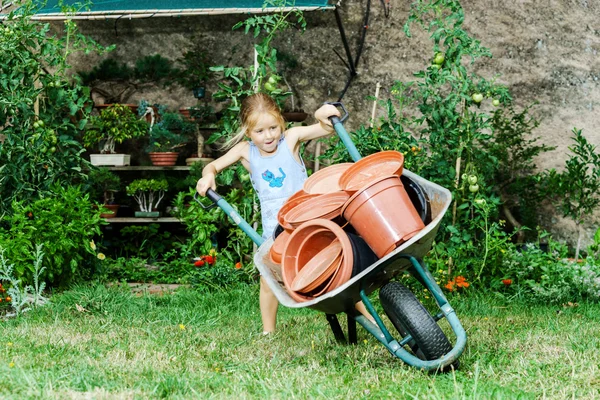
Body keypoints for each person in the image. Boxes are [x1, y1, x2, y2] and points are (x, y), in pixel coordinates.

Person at [196, 93, 373, 334]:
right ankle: (268, 332)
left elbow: (326, 128)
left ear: (281, 122)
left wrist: (323, 116)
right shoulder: (245, 152)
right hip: (275, 229)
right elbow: (213, 165)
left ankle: (371, 321)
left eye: (272, 128)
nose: (268, 136)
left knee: (336, 270)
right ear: (248, 132)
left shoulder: (291, 139)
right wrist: (208, 175)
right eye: (260, 131)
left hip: (309, 221)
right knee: (267, 280)